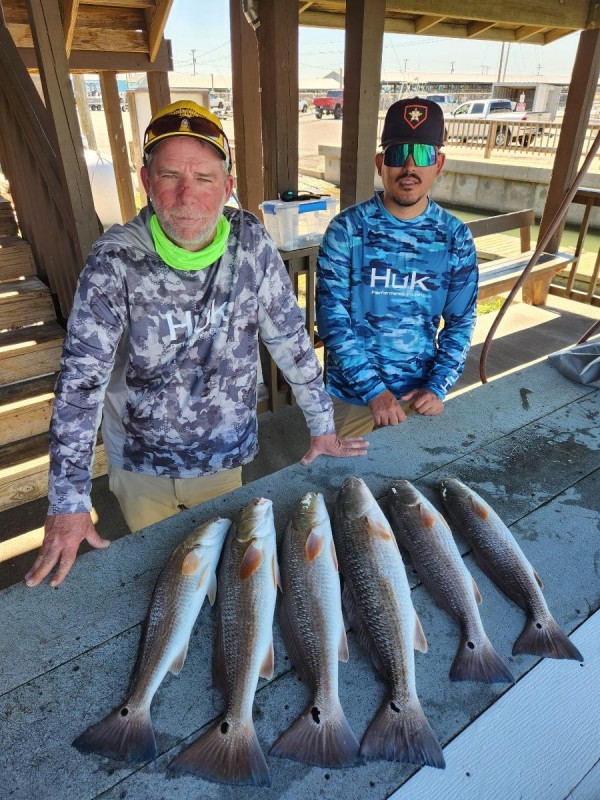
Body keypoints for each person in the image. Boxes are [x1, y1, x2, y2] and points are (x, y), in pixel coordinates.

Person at [25, 100, 368, 588]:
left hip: (221, 459)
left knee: (230, 582)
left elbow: (290, 338)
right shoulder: (114, 260)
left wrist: (322, 426)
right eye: (170, 176)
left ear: (227, 187)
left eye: (204, 178)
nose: (186, 195)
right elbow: (82, 383)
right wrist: (68, 500)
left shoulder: (250, 243)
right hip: (139, 466)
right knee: (167, 583)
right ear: (147, 182)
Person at [316, 97, 479, 437]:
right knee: (343, 484)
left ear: (439, 163)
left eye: (422, 155)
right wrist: (374, 391)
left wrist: (439, 385)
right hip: (352, 396)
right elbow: (332, 320)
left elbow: (461, 321)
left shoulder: (455, 237)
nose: (408, 167)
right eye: (396, 154)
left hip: (417, 396)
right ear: (380, 163)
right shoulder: (345, 230)